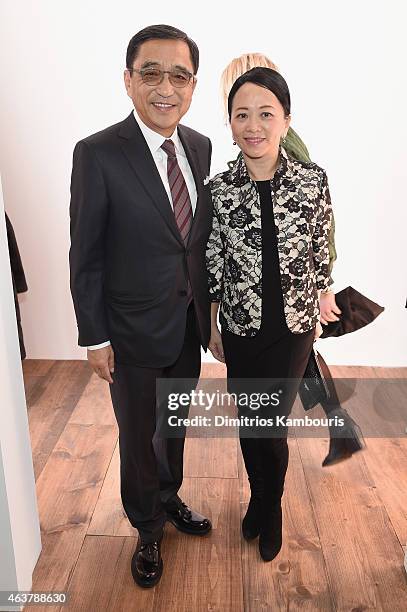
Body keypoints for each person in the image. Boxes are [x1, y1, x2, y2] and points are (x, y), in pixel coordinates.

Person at [69, 24, 213, 588]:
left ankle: (170, 496)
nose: (165, 87)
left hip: (185, 322)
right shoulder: (98, 153)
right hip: (128, 329)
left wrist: (214, 314)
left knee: (173, 422)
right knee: (137, 434)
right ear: (128, 81)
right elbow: (86, 253)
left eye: (179, 75)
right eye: (150, 72)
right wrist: (94, 337)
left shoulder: (200, 146)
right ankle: (147, 526)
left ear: (193, 85)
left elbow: (196, 240)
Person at [206, 67, 333, 561]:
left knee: (271, 423)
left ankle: (269, 505)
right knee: (248, 421)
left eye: (265, 114)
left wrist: (322, 295)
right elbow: (214, 257)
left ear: (285, 120)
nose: (253, 125)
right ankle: (259, 497)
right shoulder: (220, 189)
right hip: (242, 326)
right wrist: (213, 322)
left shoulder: (312, 180)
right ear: (231, 123)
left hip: (294, 326)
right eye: (242, 115)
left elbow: (319, 245)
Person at [220, 53, 364, 466]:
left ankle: (338, 425)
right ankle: (339, 426)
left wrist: (321, 286)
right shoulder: (256, 143)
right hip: (276, 292)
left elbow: (316, 220)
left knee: (293, 364)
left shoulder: (288, 145)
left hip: (293, 286)